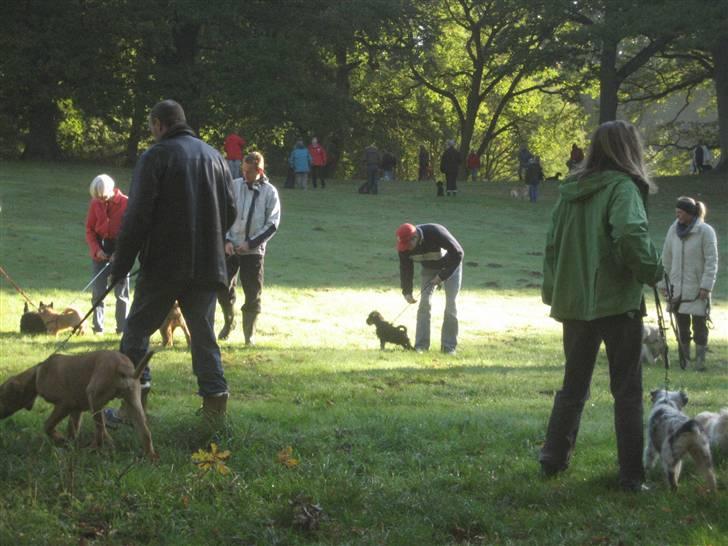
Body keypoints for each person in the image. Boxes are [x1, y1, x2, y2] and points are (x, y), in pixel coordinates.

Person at [539, 120, 663, 492]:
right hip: (616, 302)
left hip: (575, 303)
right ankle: (631, 476)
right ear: (630, 149)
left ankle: (552, 458)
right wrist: (652, 270)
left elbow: (552, 246)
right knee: (626, 390)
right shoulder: (623, 187)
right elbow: (629, 233)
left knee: (572, 386)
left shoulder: (569, 192)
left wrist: (553, 293)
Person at [107, 99, 236, 424]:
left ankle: (133, 407)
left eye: (152, 127)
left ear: (159, 124)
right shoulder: (215, 157)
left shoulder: (156, 156)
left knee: (136, 329)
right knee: (204, 335)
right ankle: (214, 412)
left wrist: (119, 267)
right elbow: (231, 210)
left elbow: (136, 217)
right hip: (208, 264)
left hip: (164, 264)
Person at [217, 152, 281, 345]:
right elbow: (222, 213)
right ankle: (229, 321)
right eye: (243, 171)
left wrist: (251, 243)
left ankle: (249, 336)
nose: (244, 175)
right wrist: (226, 240)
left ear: (259, 171)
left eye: (249, 172)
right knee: (221, 287)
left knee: (253, 292)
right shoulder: (234, 186)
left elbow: (272, 224)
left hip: (253, 252)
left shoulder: (270, 193)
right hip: (230, 247)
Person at [660, 196, 718, 371]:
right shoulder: (673, 231)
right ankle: (684, 360)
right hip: (676, 289)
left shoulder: (706, 231)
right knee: (682, 327)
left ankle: (700, 362)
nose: (677, 216)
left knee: (700, 327)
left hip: (698, 289)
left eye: (680, 213)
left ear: (690, 213)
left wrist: (706, 286)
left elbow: (711, 261)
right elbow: (666, 258)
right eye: (676, 213)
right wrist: (663, 283)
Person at [396, 223, 463, 355]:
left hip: (451, 266)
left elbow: (458, 253)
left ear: (415, 237)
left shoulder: (435, 232)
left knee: (451, 304)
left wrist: (442, 276)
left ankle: (449, 348)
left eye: (408, 245)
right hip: (429, 268)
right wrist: (407, 291)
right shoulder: (404, 247)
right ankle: (421, 346)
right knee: (424, 304)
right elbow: (405, 268)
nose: (406, 249)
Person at [84, 174, 130, 334]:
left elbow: (131, 232)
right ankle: (98, 329)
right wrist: (97, 250)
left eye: (103, 197)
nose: (101, 201)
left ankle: (122, 330)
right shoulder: (95, 202)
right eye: (98, 198)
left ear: (111, 190)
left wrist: (121, 253)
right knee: (98, 292)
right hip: (100, 248)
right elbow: (89, 229)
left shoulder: (126, 203)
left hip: (121, 248)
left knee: (121, 292)